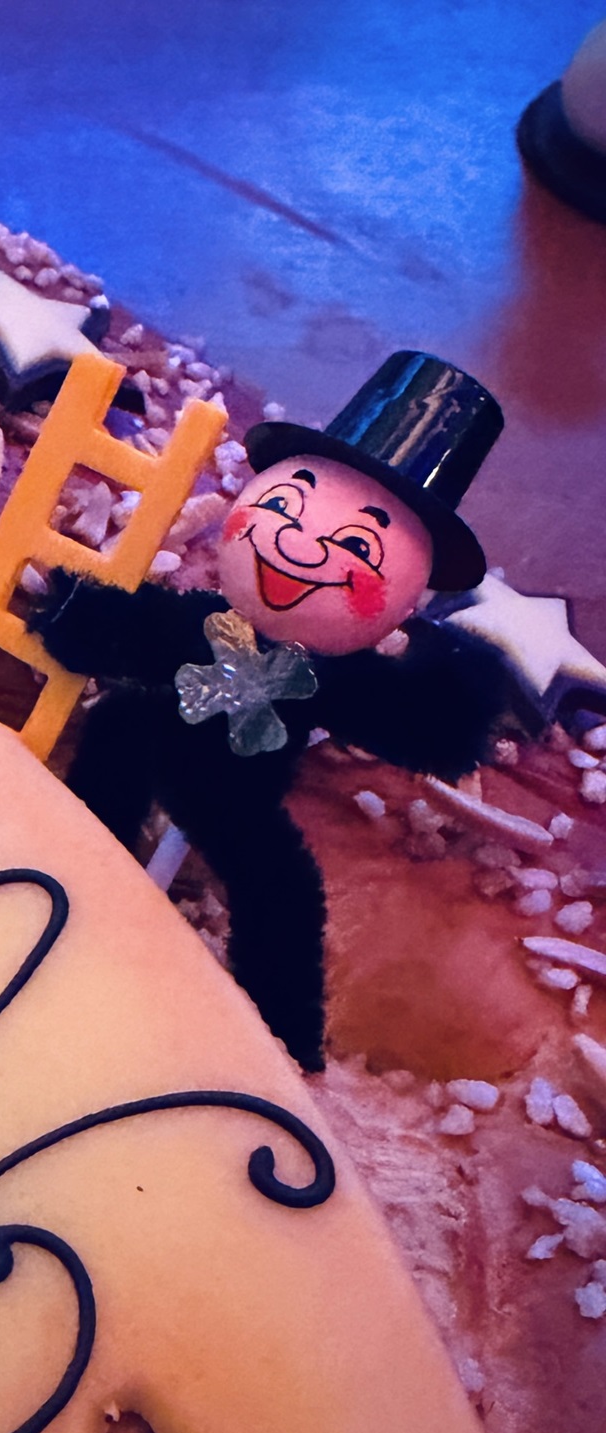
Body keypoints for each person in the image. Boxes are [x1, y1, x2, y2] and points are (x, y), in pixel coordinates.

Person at [32, 351, 514, 1070]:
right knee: (113, 737)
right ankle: (56, 884)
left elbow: (428, 730)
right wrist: (76, 612)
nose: (295, 541)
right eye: (286, 507)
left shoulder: (333, 679)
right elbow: (134, 630)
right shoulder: (203, 623)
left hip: (236, 794)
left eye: (357, 544)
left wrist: (454, 676)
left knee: (280, 887)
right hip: (152, 735)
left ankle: (278, 1046)